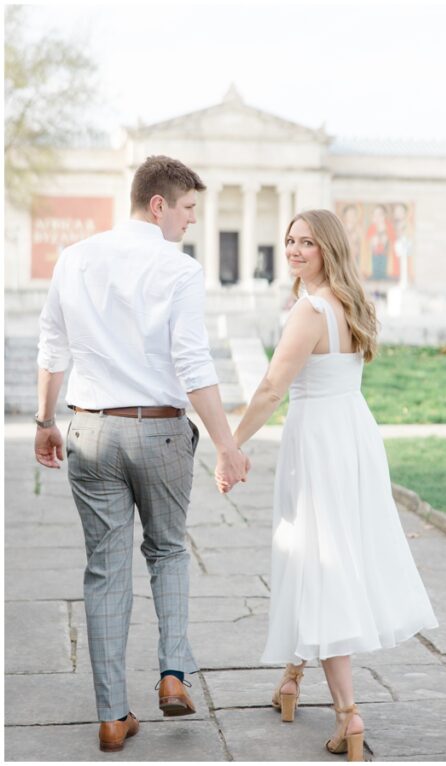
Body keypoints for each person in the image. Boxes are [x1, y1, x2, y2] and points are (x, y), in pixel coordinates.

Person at [34, 155, 250, 753]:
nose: (189, 222)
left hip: (89, 429)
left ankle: (111, 716)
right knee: (169, 549)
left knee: (106, 570)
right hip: (158, 432)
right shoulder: (176, 269)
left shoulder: (75, 259)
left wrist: (43, 420)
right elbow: (192, 363)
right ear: (158, 204)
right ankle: (174, 673)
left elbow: (52, 344)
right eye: (186, 210)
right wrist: (227, 444)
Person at [231, 209, 438, 760]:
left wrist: (232, 443)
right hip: (352, 436)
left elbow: (273, 387)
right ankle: (292, 679)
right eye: (290, 241)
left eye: (307, 243)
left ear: (328, 250)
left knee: (322, 564)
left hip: (320, 440)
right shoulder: (353, 303)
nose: (295, 251)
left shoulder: (309, 309)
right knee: (320, 554)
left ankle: (348, 713)